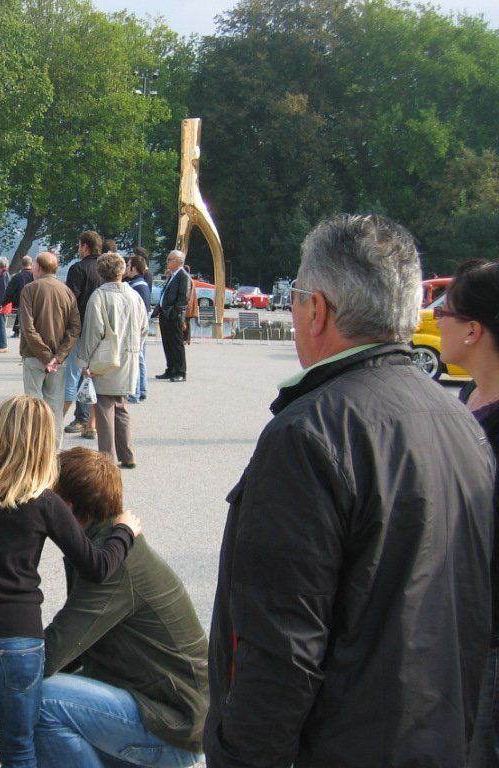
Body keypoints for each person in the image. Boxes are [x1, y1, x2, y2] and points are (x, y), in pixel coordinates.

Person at [205, 215, 496, 768]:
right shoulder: (458, 420)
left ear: (316, 309)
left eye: (297, 299)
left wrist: (242, 757)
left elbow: (281, 646)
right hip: (437, 737)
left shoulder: (308, 434)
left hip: (346, 744)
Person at [0, 395, 141, 768]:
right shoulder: (43, 501)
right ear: (44, 442)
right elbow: (97, 567)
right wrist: (124, 532)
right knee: (18, 749)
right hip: (17, 636)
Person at [32, 446, 208, 767]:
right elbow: (71, 651)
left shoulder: (112, 565)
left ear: (66, 508)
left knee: (37, 700)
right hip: (160, 706)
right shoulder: (106, 543)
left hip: (173, 725)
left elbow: (54, 652)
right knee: (29, 693)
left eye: (46, 500)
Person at [437, 259, 499, 768]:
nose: (436, 320)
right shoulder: (469, 395)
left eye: (445, 312)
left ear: (473, 330)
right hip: (462, 618)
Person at [77, 253, 148, 469]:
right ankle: (128, 454)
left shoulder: (99, 296)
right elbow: (144, 327)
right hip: (129, 357)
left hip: (106, 358)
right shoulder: (134, 295)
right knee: (121, 405)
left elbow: (92, 333)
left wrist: (84, 361)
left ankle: (107, 458)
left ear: (101, 272)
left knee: (104, 407)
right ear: (122, 271)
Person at [18, 252, 80, 448]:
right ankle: (54, 450)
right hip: (58, 360)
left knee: (33, 406)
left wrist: (46, 356)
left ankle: (34, 448)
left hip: (34, 355)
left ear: (38, 267)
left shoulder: (30, 289)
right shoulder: (67, 291)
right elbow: (74, 328)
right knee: (55, 407)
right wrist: (58, 356)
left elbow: (28, 328)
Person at [64, 231, 104, 437]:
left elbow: (70, 301)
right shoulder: (106, 268)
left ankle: (75, 418)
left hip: (80, 328)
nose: (78, 249)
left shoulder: (78, 268)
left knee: (74, 375)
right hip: (102, 330)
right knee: (94, 376)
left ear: (85, 246)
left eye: (79, 245)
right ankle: (92, 424)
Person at [155, 251, 189, 383]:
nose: (167, 261)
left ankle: (181, 371)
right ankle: (171, 369)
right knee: (167, 343)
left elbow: (183, 298)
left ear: (178, 261)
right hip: (165, 314)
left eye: (170, 259)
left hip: (173, 316)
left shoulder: (183, 276)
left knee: (176, 344)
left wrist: (174, 313)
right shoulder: (173, 275)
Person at [124, 254, 151, 403]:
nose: (126, 268)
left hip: (135, 326)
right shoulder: (143, 284)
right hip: (141, 324)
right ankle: (142, 390)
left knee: (135, 358)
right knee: (140, 358)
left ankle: (135, 392)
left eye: (128, 266)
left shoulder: (135, 286)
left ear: (133, 268)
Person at [3, 255, 35, 338]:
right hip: (33, 300)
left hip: (20, 300)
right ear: (31, 264)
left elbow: (9, 291)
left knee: (20, 313)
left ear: (21, 264)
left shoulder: (17, 277)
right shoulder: (35, 276)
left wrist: (3, 303)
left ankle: (17, 331)